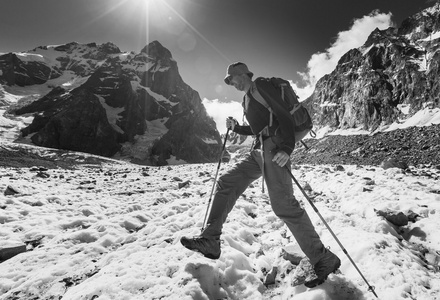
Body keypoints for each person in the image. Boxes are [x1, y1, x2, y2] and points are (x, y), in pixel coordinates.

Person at [181, 62, 340, 287]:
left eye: (232, 79)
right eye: (229, 81)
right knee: (227, 182)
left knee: (283, 205)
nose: (231, 84)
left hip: (274, 149)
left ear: (243, 74)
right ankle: (210, 239)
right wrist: (236, 128)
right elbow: (258, 129)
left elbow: (283, 115)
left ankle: (322, 257)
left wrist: (286, 148)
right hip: (258, 151)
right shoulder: (246, 99)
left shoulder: (261, 86)